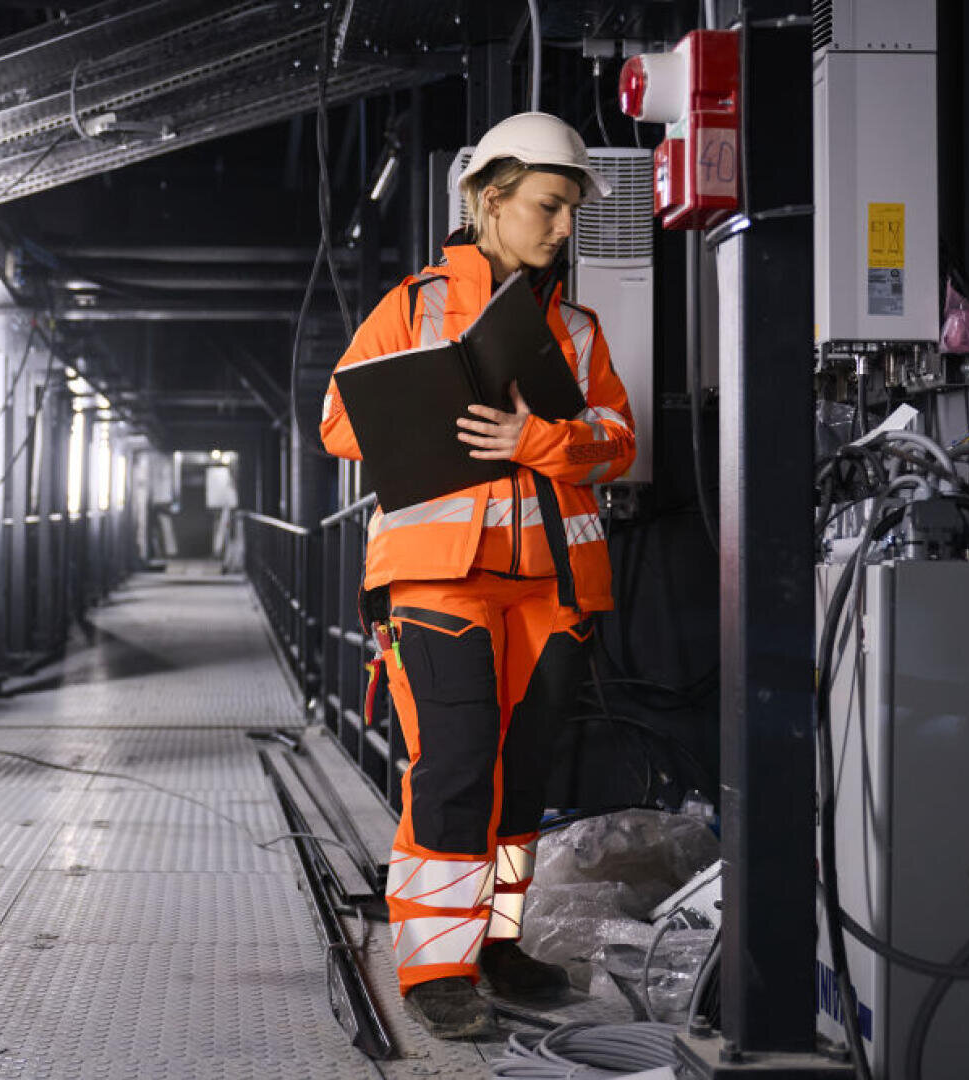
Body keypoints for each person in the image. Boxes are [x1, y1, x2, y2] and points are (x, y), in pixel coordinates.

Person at [319, 112, 636, 1039]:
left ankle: (496, 945)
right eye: (547, 206)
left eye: (570, 212)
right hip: (438, 582)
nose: (560, 230)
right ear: (490, 198)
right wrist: (431, 403)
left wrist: (534, 438)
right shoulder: (411, 308)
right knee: (454, 771)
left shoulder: (573, 329)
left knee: (523, 779)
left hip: (549, 588)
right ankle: (435, 967)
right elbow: (339, 425)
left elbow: (616, 444)